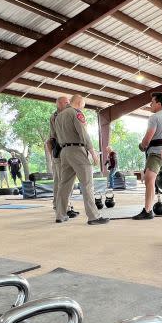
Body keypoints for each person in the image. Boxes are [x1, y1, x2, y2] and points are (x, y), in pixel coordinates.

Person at [52, 94, 109, 225]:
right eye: (83, 105)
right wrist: (92, 152)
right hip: (77, 150)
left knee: (64, 185)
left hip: (64, 152)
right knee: (87, 184)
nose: (83, 108)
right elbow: (83, 133)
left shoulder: (58, 116)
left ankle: (60, 214)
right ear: (79, 102)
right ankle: (93, 216)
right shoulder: (76, 113)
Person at [133, 92, 162, 219]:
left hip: (156, 153)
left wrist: (142, 146)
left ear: (158, 103)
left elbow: (147, 139)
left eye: (152, 102)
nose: (150, 104)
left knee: (149, 179)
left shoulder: (154, 117)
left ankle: (147, 210)